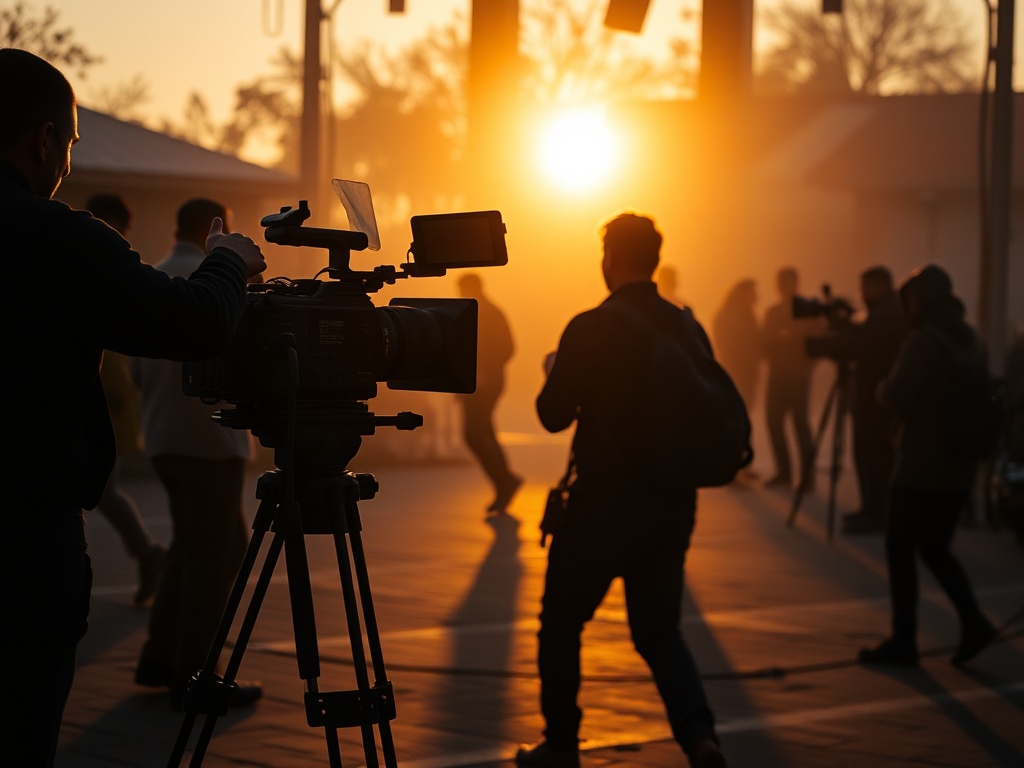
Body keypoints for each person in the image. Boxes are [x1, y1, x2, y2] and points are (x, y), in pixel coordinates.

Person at [0, 49, 265, 768]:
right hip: (20, 549)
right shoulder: (52, 236)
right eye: (73, 144)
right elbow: (190, 324)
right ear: (46, 140)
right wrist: (231, 262)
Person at [518, 212, 726, 768]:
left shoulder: (591, 326)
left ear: (609, 260)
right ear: (654, 261)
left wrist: (556, 370)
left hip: (601, 506)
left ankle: (561, 744)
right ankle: (700, 736)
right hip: (674, 499)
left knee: (561, 623)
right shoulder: (686, 325)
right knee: (660, 631)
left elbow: (552, 415)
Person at [131, 198, 262, 708]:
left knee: (189, 546)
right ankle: (196, 673)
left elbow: (138, 371)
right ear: (219, 229)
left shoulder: (156, 276)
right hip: (212, 441)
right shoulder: (223, 281)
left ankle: (161, 656)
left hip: (163, 438)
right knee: (218, 553)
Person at [858, 265, 998, 667]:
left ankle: (904, 640)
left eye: (911, 301)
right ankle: (973, 622)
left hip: (920, 467)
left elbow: (897, 397)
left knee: (900, 548)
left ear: (921, 302)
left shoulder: (925, 341)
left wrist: (880, 388)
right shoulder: (972, 339)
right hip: (960, 469)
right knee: (936, 549)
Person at [85, 192, 167, 602]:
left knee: (98, 487)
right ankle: (147, 551)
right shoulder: (92, 254)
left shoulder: (112, 263)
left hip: (109, 393)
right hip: (98, 389)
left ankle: (147, 551)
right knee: (97, 489)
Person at [841, 267, 907, 534]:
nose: (861, 294)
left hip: (876, 399)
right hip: (871, 394)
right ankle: (870, 508)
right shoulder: (885, 313)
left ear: (879, 286)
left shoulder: (888, 315)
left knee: (875, 455)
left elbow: (868, 347)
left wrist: (847, 332)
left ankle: (876, 512)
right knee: (867, 454)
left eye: (865, 288)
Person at [457, 272, 522, 514]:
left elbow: (507, 348)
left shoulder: (489, 313)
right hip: (475, 383)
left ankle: (504, 481)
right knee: (483, 432)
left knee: (473, 433)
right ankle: (505, 482)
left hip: (485, 383)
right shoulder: (474, 311)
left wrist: (485, 371)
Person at [760, 267, 822, 489]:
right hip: (777, 375)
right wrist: (778, 339)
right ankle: (784, 471)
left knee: (800, 424)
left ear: (795, 283)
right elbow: (763, 344)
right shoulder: (773, 312)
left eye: (786, 282)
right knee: (774, 421)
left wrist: (809, 367)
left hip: (799, 376)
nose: (782, 287)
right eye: (780, 283)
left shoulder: (807, 311)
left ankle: (808, 475)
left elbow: (819, 343)